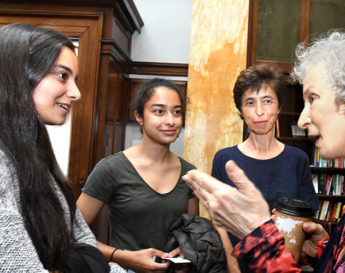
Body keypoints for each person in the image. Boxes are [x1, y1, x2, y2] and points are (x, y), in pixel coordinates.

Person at [182, 29, 345, 272]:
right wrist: (326, 245)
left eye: (313, 98)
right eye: (250, 103)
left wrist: (258, 237)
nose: (302, 120)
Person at [0, 23, 124, 272]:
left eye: (75, 79)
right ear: (18, 74)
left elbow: (86, 246)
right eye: (62, 75)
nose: (76, 93)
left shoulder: (36, 159)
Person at [77, 78, 199, 272]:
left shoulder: (189, 173)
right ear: (139, 116)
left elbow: (192, 233)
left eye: (177, 112)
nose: (170, 120)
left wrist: (186, 252)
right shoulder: (111, 169)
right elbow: (71, 233)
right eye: (159, 111)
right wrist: (124, 257)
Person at [211, 64, 318, 272]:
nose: (259, 112)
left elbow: (304, 219)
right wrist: (233, 267)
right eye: (250, 103)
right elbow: (218, 222)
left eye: (267, 101)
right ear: (241, 111)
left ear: (278, 107)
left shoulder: (298, 159)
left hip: (283, 266)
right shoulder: (224, 159)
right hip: (235, 264)